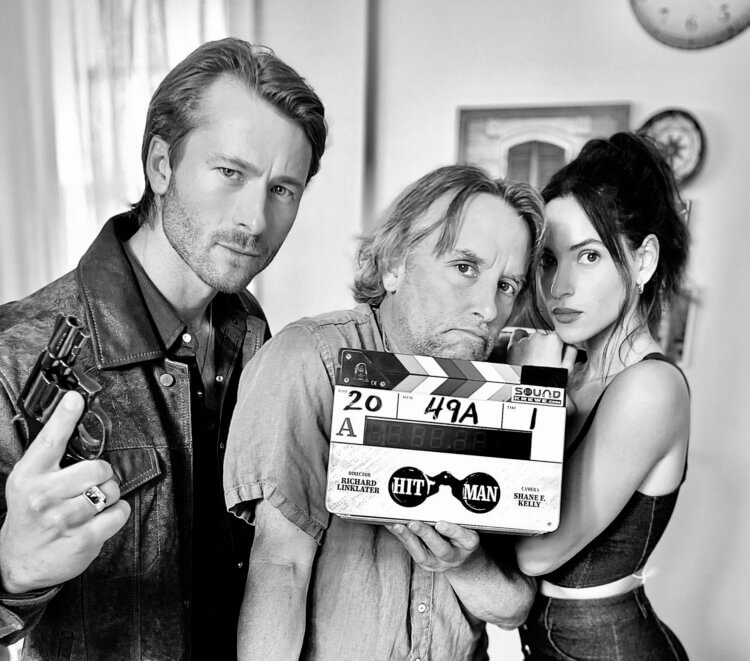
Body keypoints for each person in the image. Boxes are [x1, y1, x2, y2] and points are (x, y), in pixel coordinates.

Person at [0, 37, 326, 660]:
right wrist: (11, 571)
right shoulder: (16, 355)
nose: (255, 220)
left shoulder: (255, 334)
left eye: (283, 189)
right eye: (230, 173)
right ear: (160, 166)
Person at [223, 164, 543, 660]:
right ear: (394, 264)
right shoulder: (311, 359)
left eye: (506, 285)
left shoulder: (502, 392)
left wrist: (464, 563)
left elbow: (512, 608)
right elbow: (281, 567)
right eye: (464, 267)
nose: (488, 308)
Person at [508, 132, 690, 660]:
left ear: (642, 261)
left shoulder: (650, 387)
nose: (559, 287)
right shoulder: (574, 372)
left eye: (588, 256)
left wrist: (533, 392)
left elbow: (537, 552)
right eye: (548, 261)